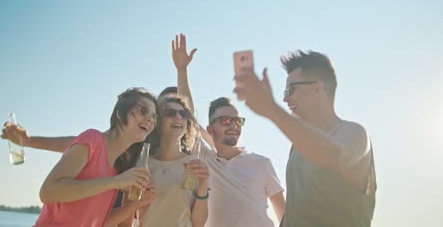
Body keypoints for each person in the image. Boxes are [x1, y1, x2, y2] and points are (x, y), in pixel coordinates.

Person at [234, 50, 377, 226]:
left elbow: (334, 157)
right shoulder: (297, 147)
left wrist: (270, 109)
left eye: (290, 89)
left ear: (317, 87)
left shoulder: (355, 133)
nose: (285, 98)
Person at [172, 33, 285, 227]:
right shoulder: (205, 160)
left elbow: (283, 213)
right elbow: (189, 117)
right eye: (225, 121)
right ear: (210, 128)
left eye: (237, 120)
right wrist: (182, 70)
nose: (233, 125)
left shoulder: (261, 163)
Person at [1, 88, 157, 226]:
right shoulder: (92, 140)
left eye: (154, 116)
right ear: (119, 114)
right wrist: (116, 182)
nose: (150, 119)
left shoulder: (119, 166)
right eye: (143, 110)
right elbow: (48, 192)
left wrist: (137, 203)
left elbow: (100, 221)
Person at [137, 94, 209, 227]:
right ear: (157, 121)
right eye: (170, 113)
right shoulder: (142, 164)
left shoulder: (194, 165)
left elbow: (198, 224)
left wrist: (203, 185)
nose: (178, 117)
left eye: (183, 113)